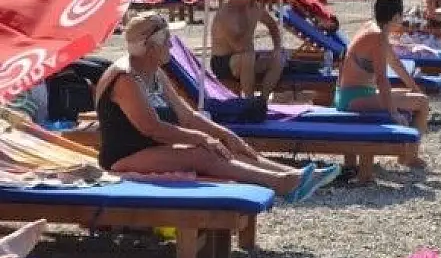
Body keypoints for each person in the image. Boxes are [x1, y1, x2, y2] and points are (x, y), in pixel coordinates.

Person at [96, 13, 339, 202]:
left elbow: (187, 116)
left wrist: (224, 135)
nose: (171, 46)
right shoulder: (126, 79)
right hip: (124, 157)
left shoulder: (154, 73)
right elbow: (152, 128)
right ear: (150, 47)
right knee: (202, 153)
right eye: (167, 41)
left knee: (224, 146)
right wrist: (203, 138)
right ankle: (283, 182)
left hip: (151, 149)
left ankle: (291, 175)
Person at [337, 0, 429, 168]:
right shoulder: (377, 36)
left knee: (416, 98)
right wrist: (393, 112)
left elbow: (395, 64)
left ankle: (406, 153)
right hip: (354, 99)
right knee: (423, 103)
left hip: (352, 95)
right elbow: (381, 79)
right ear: (395, 16)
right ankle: (408, 156)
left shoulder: (372, 28)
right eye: (401, 15)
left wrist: (414, 89)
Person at [210, 0, 286, 100]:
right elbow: (239, 47)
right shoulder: (225, 15)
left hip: (247, 58)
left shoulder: (254, 8)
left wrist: (277, 48)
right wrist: (247, 19)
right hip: (223, 61)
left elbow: (272, 25)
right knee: (247, 57)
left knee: (278, 59)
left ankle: (262, 100)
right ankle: (249, 101)